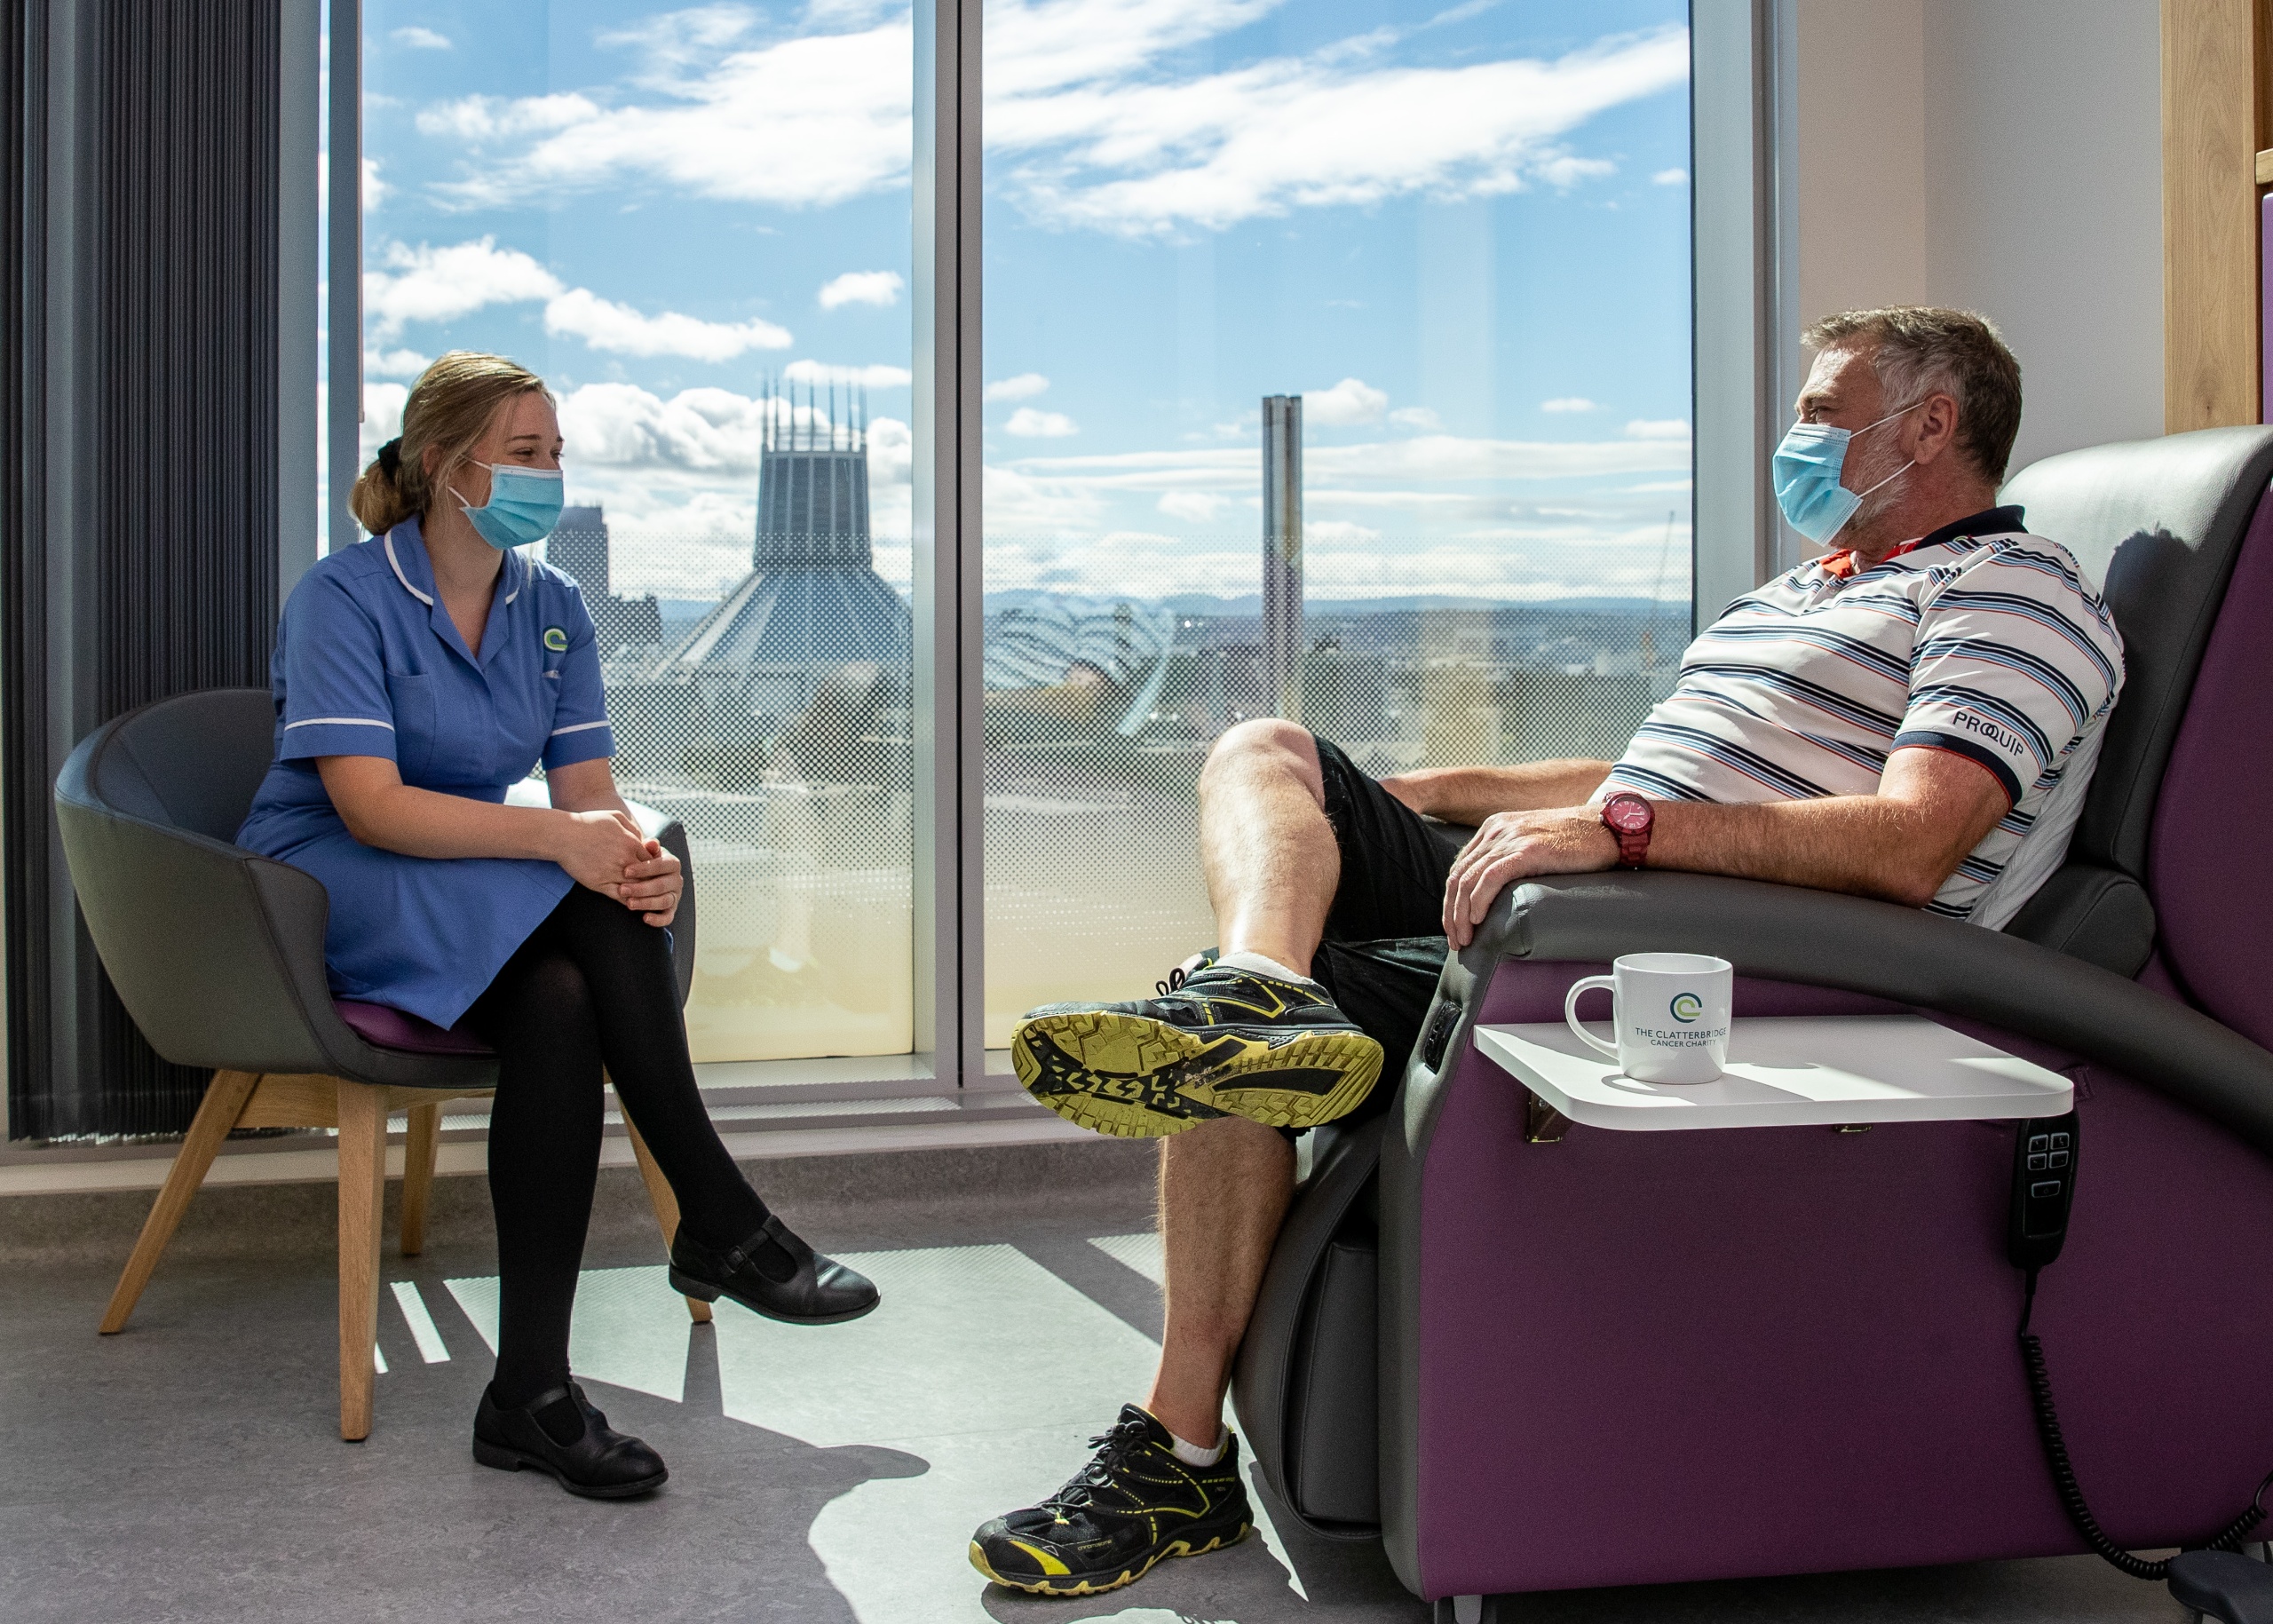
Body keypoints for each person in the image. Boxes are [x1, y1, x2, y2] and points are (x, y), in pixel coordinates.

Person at [968, 306, 2126, 1596]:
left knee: (1211, 1006)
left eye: (1820, 412)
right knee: (1267, 752)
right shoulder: (1811, 591)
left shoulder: (2014, 593)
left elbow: (1916, 841)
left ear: (1931, 425)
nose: (1795, 439)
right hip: (1615, 884)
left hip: (1686, 948)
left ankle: (1177, 1453)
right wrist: (1395, 799)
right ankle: (1267, 997)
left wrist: (1619, 833)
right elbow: (1642, 769)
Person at [236, 352, 878, 1500]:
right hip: (332, 880)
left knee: (566, 992)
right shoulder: (343, 596)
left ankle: (527, 1392)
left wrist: (639, 861)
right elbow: (367, 804)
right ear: (446, 467)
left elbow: (586, 792)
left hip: (468, 882)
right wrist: (567, 843)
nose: (549, 475)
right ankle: (719, 1213)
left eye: (556, 453)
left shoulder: (555, 608)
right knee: (575, 886)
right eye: (525, 455)